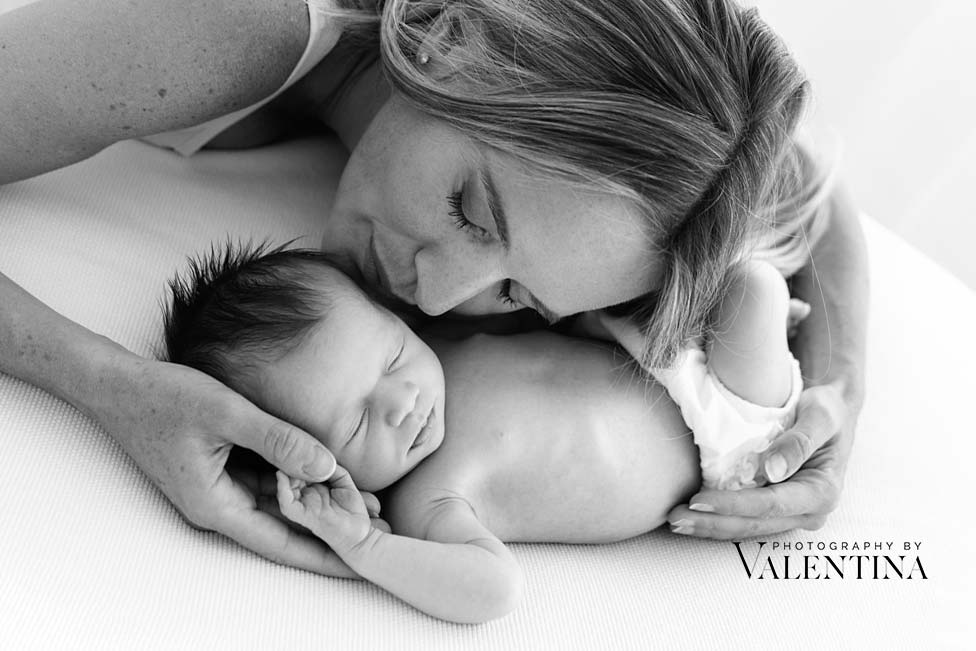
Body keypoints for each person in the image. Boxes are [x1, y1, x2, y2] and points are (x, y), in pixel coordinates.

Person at [0, 0, 868, 574]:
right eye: (471, 212)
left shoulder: (637, 134)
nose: (438, 296)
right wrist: (110, 384)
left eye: (520, 297)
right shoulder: (240, 23)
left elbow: (809, 191)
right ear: (454, 40)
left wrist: (838, 395)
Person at [161, 241, 800, 622]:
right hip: (727, 440)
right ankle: (782, 345)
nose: (402, 401)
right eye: (356, 421)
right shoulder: (426, 500)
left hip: (664, 352)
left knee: (741, 269)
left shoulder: (435, 342)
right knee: (757, 286)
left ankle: (789, 332)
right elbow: (490, 590)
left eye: (389, 357)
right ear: (302, 459)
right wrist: (364, 548)